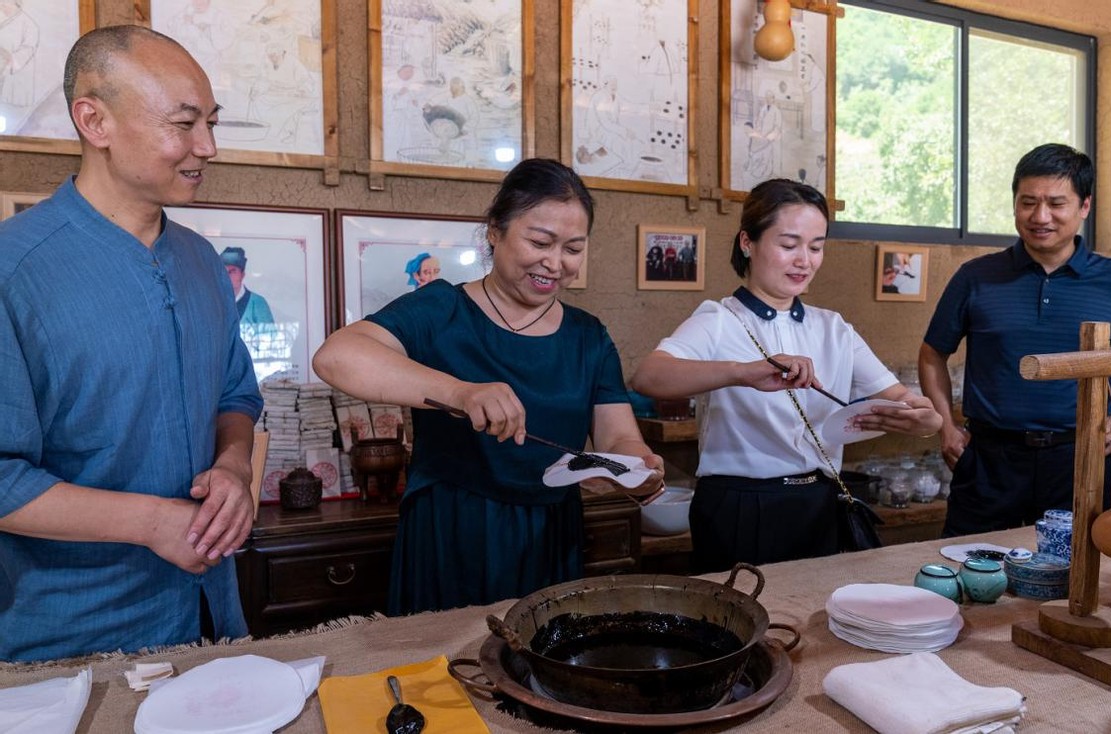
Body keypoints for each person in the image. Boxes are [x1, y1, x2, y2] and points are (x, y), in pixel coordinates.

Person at [0, 25, 262, 662]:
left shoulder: (202, 261)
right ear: (94, 120)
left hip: (208, 609)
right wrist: (152, 523)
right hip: (72, 636)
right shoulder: (15, 269)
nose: (207, 146)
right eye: (184, 123)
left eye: (212, 122)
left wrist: (232, 466)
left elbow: (235, 393)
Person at [312, 158, 664, 615]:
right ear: (495, 231)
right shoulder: (443, 308)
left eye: (573, 248)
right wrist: (460, 392)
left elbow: (618, 436)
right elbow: (336, 357)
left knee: (536, 669)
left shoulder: (587, 335)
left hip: (550, 533)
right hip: (451, 529)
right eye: (539, 242)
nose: (554, 263)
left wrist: (634, 469)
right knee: (445, 670)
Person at [630, 180, 941, 571]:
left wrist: (926, 419)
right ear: (748, 242)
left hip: (819, 500)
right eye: (789, 244)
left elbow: (903, 399)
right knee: (745, 622)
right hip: (740, 504)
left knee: (813, 619)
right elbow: (649, 376)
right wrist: (741, 373)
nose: (804, 261)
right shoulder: (719, 320)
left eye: (816, 246)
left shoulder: (834, 329)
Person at [918, 143, 1111, 538]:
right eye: (1027, 202)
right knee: (967, 570)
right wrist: (945, 425)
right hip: (988, 460)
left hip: (1080, 459)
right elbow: (931, 354)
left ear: (1084, 206)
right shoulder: (975, 277)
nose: (1040, 216)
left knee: (1075, 577)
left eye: (1056, 203)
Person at [221, 246, 275, 325]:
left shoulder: (258, 303)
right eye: (224, 271)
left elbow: (270, 335)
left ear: (242, 275)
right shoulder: (212, 301)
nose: (228, 276)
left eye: (232, 271)